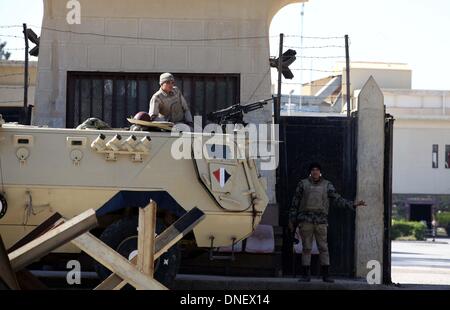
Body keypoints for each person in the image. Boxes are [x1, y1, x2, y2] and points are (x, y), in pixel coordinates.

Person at [289, 162, 367, 283]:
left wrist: (353, 204)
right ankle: (306, 275)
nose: (315, 172)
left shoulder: (327, 185)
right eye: (313, 170)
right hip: (306, 220)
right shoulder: (302, 184)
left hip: (321, 221)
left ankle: (326, 275)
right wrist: (292, 220)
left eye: (317, 170)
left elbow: (337, 198)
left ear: (320, 172)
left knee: (323, 248)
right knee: (306, 248)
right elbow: (295, 203)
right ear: (310, 172)